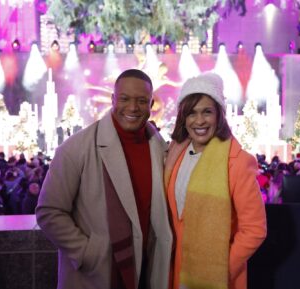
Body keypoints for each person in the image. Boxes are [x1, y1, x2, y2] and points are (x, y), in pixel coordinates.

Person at [36, 69, 172, 289]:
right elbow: (49, 211)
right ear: (113, 100)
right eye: (125, 99)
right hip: (96, 274)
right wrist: (88, 253)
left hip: (147, 270)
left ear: (151, 104)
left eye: (141, 101)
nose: (133, 108)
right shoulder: (76, 148)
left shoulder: (159, 147)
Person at [164, 72, 267, 289]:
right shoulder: (176, 152)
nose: (199, 120)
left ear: (219, 115)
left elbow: (255, 229)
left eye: (207, 112)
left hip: (214, 278)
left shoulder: (237, 162)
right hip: (174, 271)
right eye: (191, 113)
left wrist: (219, 270)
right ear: (183, 118)